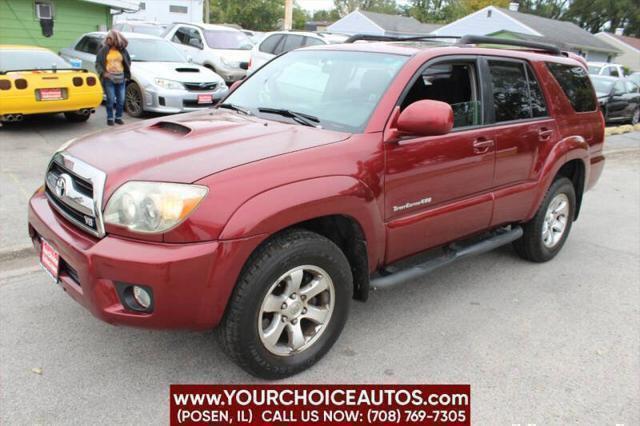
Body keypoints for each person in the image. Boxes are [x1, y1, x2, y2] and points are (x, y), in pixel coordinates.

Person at [95, 30, 131, 126]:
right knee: (110, 100)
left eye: (110, 38)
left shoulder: (122, 50)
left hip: (121, 78)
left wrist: (126, 75)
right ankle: (110, 118)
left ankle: (118, 117)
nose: (108, 40)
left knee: (121, 100)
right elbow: (98, 63)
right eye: (107, 38)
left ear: (115, 39)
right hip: (109, 78)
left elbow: (128, 62)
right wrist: (104, 73)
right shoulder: (104, 50)